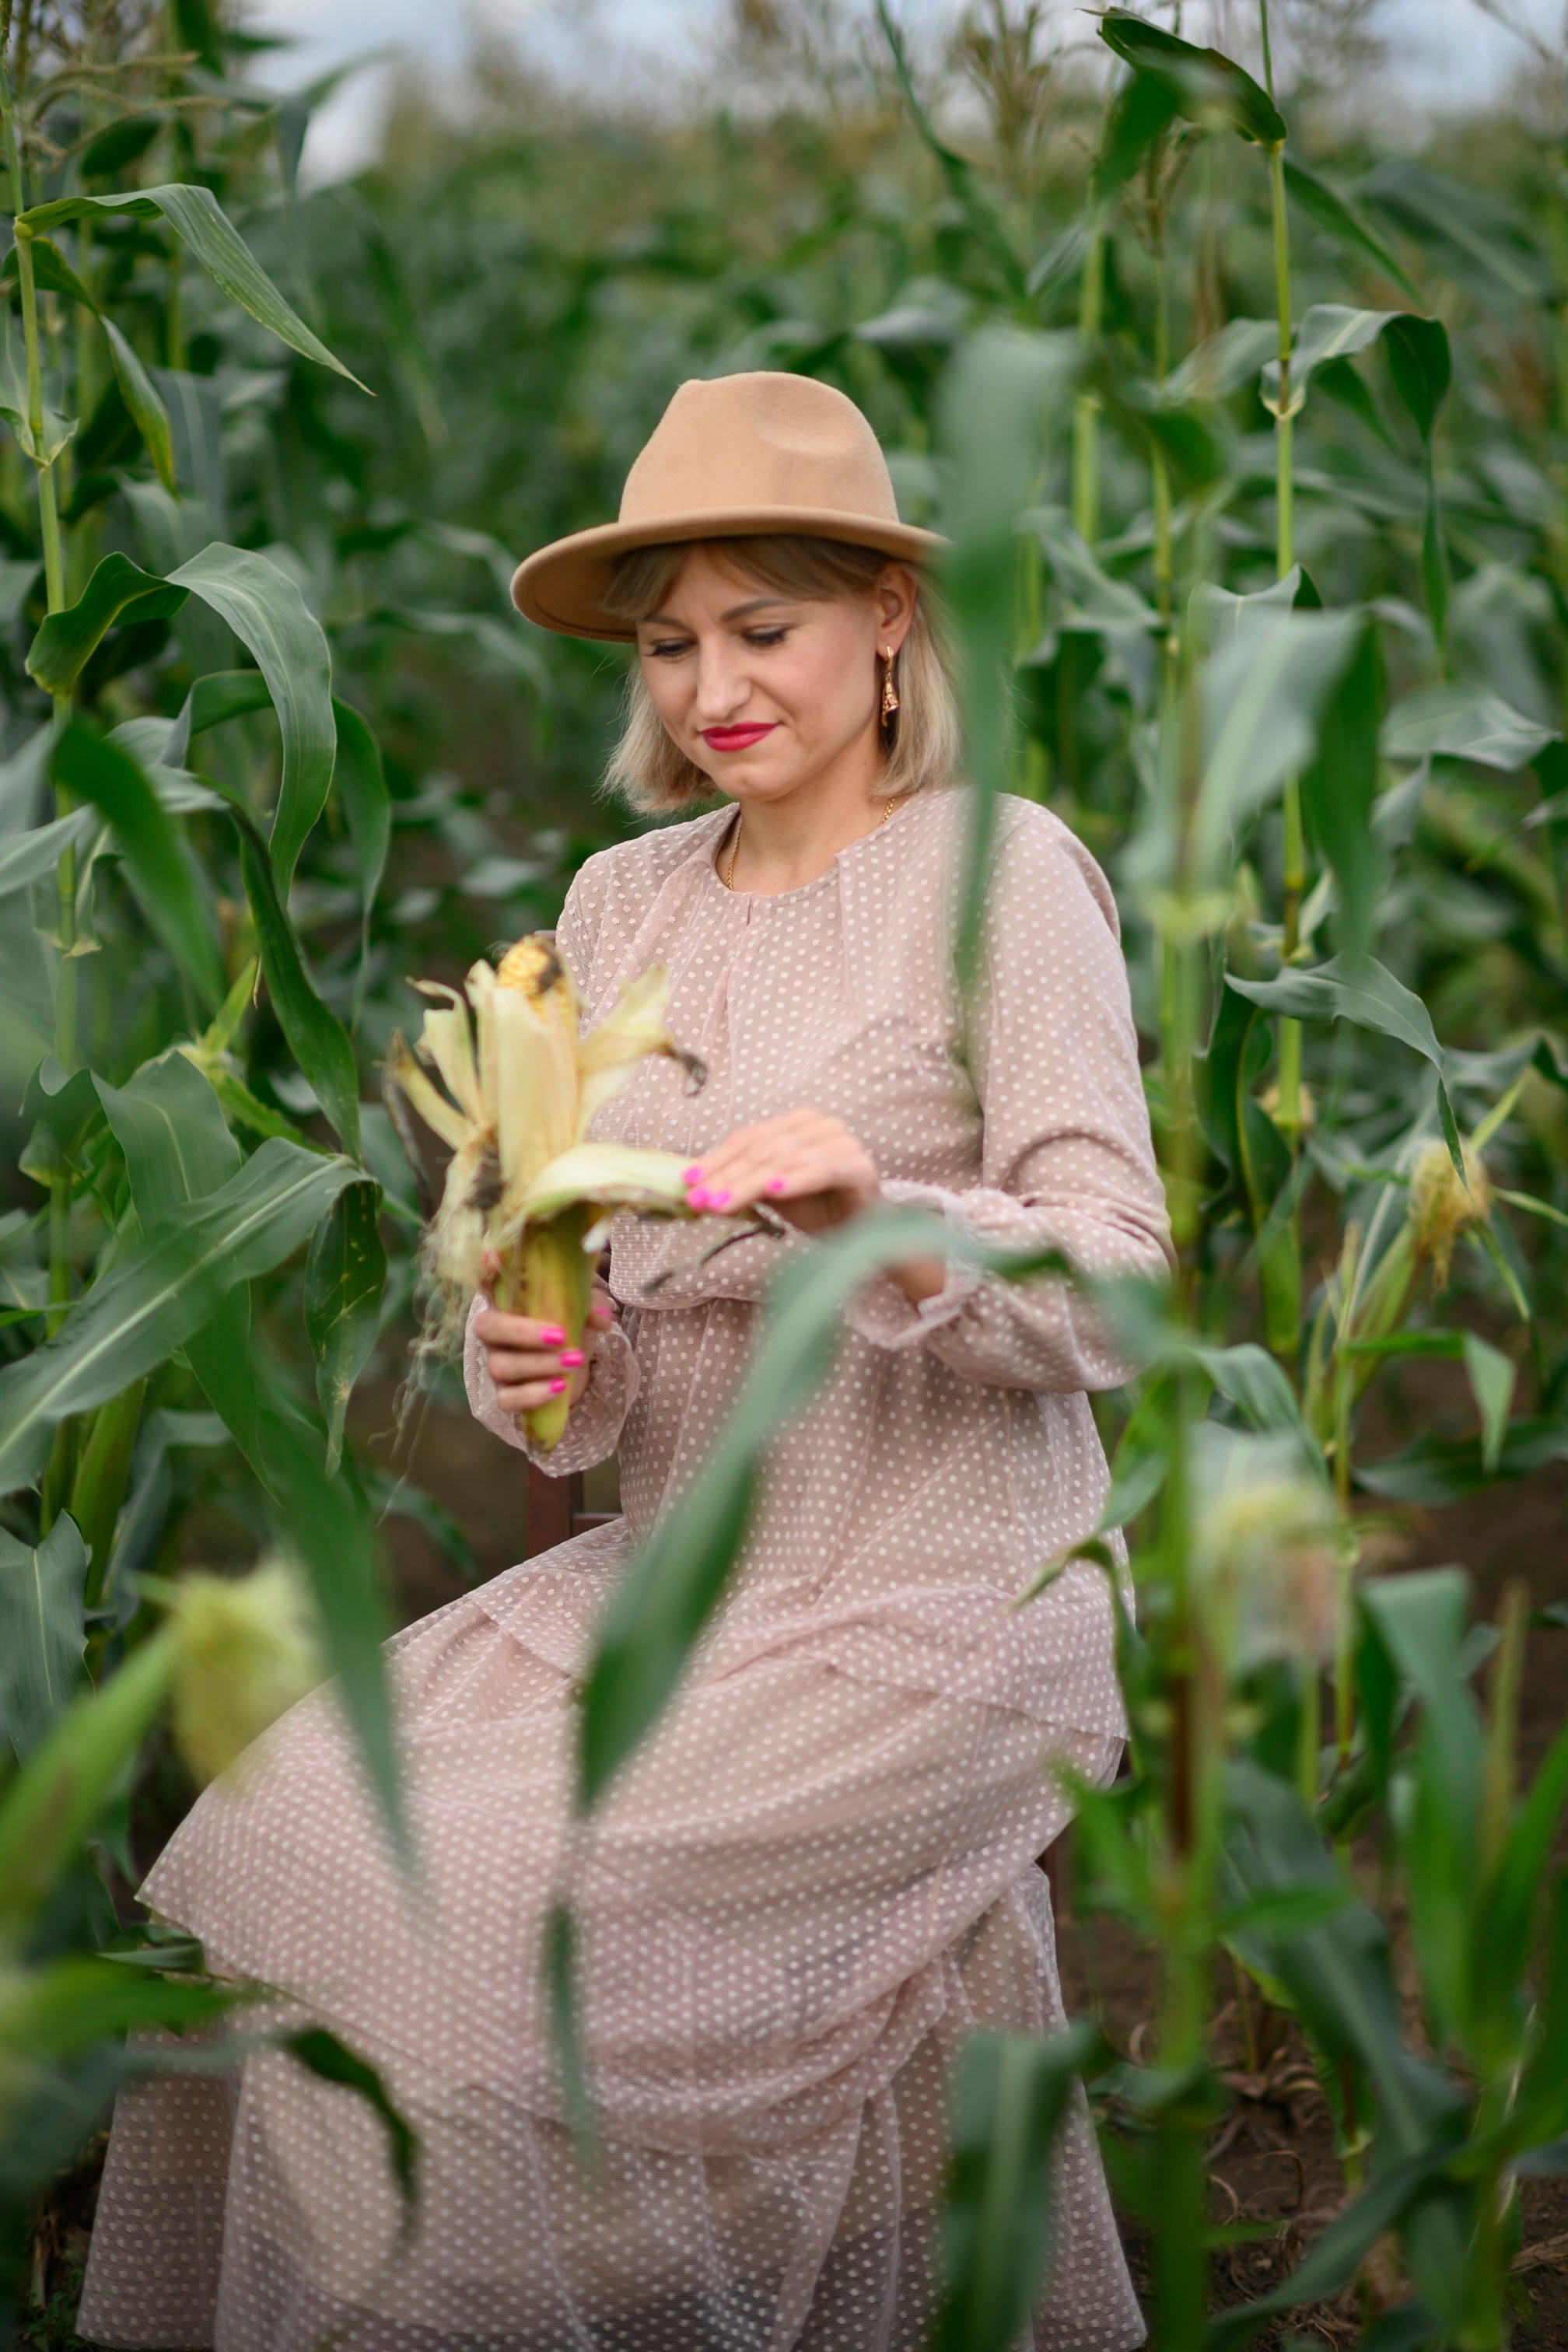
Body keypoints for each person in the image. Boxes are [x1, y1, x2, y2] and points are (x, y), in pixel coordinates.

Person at [80, 370, 1170, 2352]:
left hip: (929, 1598)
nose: (707, 689)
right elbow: (587, 1356)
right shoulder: (621, 899)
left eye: (763, 629)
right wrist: (539, 1356)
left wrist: (877, 1222)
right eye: (670, 646)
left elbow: (1117, 1288)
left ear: (888, 617)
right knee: (298, 1838)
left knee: (493, 1952)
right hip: (676, 1577)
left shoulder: (1002, 873)